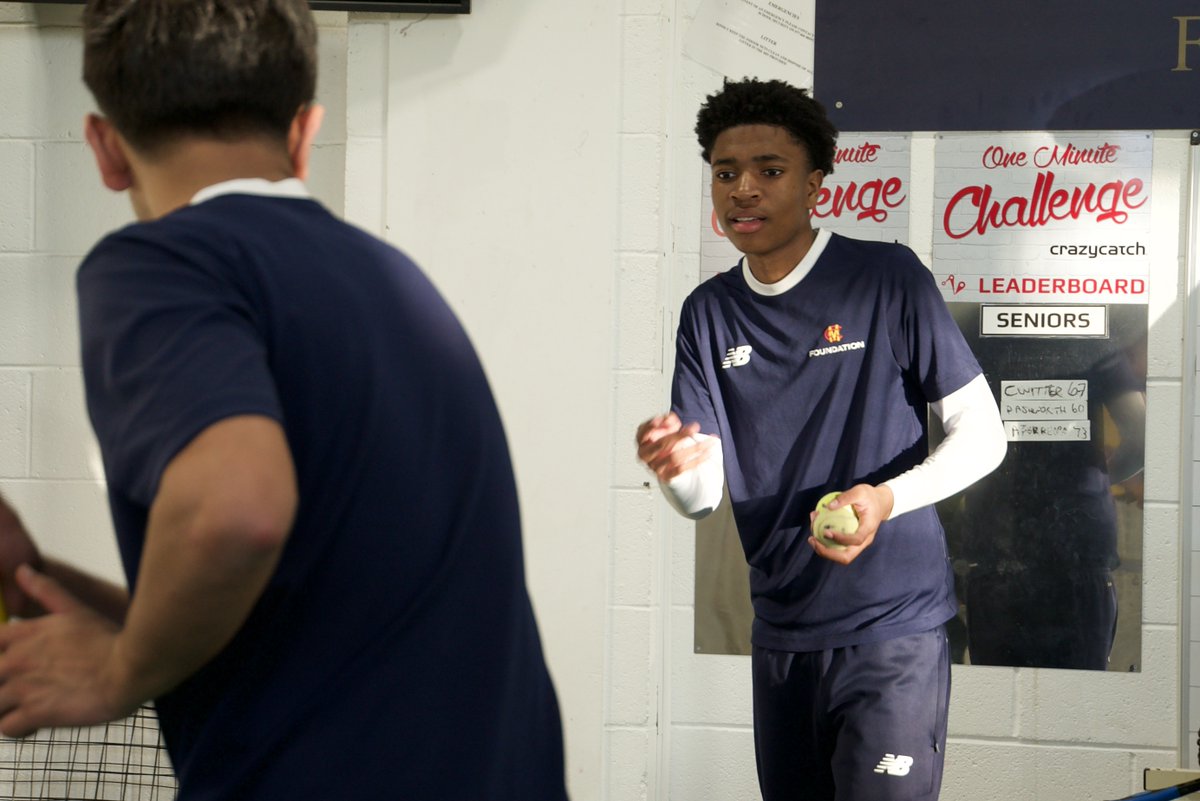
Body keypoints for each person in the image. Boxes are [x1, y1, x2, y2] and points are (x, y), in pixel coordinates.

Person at [0, 2, 568, 799]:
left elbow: (238, 511)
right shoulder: (397, 284)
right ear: (304, 133)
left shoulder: (166, 262)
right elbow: (296, 616)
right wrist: (39, 580)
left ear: (105, 150)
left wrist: (119, 670)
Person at [635, 78, 1007, 801]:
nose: (743, 189)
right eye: (724, 172)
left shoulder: (885, 277)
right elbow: (703, 496)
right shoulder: (707, 313)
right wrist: (676, 468)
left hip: (892, 631)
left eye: (769, 171)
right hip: (780, 633)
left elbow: (983, 435)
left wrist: (886, 498)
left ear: (815, 185)